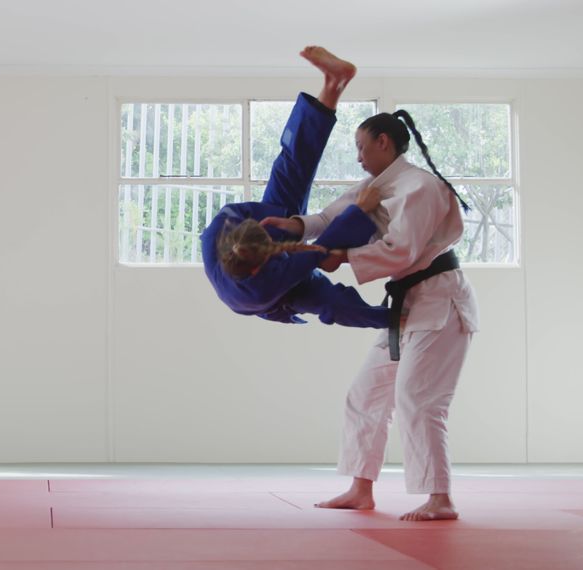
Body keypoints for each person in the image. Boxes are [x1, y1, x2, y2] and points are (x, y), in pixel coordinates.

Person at [262, 108, 480, 521]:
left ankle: (440, 497)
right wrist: (293, 227)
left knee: (419, 399)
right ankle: (361, 489)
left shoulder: (419, 187)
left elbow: (403, 250)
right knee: (365, 395)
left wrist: (342, 256)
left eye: (362, 147)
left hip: (439, 301)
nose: (359, 157)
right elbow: (330, 217)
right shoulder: (375, 187)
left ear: (384, 142)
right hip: (405, 305)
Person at [200, 46, 389, 329]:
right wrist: (360, 210)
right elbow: (322, 247)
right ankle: (397, 319)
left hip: (262, 230)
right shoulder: (268, 282)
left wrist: (289, 220)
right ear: (259, 266)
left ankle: (333, 82)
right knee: (333, 303)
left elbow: (269, 219)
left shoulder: (220, 229)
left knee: (290, 169)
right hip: (278, 297)